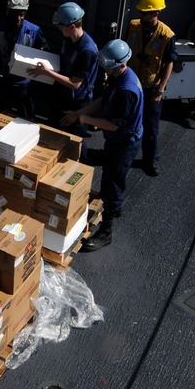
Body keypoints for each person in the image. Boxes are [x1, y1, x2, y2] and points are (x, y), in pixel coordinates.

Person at [63, 40, 143, 252]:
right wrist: (79, 113)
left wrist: (85, 120)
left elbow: (114, 125)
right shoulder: (118, 77)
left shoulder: (127, 90)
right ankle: (113, 206)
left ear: (120, 64)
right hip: (116, 141)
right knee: (95, 160)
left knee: (112, 183)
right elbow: (102, 100)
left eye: (107, 64)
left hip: (124, 143)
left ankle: (107, 231)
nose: (103, 67)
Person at [28, 2, 98, 158]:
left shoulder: (87, 51)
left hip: (76, 103)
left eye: (61, 26)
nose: (59, 29)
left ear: (72, 26)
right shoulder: (68, 39)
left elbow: (75, 84)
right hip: (61, 96)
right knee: (53, 132)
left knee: (75, 142)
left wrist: (47, 72)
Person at [126, 0, 175, 177]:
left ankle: (149, 160)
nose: (142, 16)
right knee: (127, 121)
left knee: (151, 126)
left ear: (156, 13)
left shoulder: (167, 35)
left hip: (151, 87)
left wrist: (160, 89)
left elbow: (169, 62)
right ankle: (126, 153)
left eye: (146, 13)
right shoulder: (133, 27)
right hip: (131, 83)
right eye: (141, 12)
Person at [0, 0, 48, 121]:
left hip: (24, 86)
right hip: (4, 83)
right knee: (1, 119)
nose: (19, 18)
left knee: (26, 121)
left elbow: (45, 52)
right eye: (15, 14)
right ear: (8, 12)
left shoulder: (34, 31)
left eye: (21, 14)